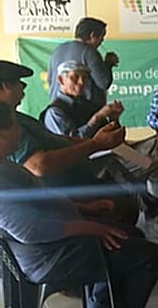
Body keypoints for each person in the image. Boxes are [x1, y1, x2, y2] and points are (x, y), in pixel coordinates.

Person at [0, 102, 158, 308]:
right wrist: (90, 227)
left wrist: (84, 207)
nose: (20, 133)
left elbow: (41, 199)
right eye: (14, 127)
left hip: (53, 244)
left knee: (132, 236)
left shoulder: (6, 166)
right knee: (149, 256)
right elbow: (30, 230)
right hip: (48, 254)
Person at [0, 61, 148, 225]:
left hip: (82, 179)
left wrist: (100, 139)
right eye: (18, 82)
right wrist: (96, 143)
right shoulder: (16, 120)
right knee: (124, 204)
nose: (81, 82)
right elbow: (38, 165)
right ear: (4, 87)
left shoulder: (21, 117)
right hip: (66, 193)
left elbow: (56, 139)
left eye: (84, 78)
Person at [41, 60, 158, 203]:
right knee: (153, 165)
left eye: (84, 78)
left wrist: (114, 119)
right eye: (75, 77)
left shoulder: (86, 104)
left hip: (112, 150)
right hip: (93, 162)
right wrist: (97, 117)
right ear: (61, 80)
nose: (81, 82)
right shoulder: (56, 112)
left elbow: (111, 134)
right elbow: (71, 144)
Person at [48, 17, 119, 109]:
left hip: (57, 105)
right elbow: (104, 83)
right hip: (81, 110)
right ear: (92, 35)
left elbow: (50, 80)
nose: (102, 41)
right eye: (102, 37)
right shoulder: (90, 52)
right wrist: (109, 64)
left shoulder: (57, 50)